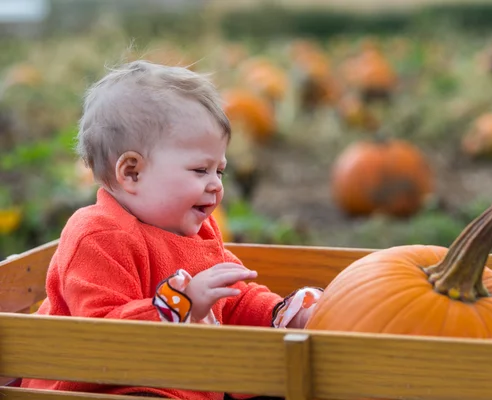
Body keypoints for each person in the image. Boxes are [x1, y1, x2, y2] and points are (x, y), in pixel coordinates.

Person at [19, 60, 323, 399]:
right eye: (200, 170)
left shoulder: (198, 232)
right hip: (107, 386)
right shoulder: (97, 237)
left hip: (181, 381)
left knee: (278, 380)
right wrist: (181, 304)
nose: (215, 186)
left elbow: (234, 299)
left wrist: (280, 315)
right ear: (132, 172)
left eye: (219, 171)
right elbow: (102, 333)